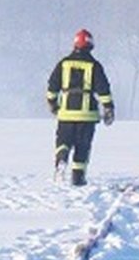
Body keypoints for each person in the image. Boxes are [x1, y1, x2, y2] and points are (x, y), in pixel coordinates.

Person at [46, 28, 114, 186]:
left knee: (63, 141)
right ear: (90, 45)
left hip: (66, 114)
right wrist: (108, 108)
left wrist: (53, 104)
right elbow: (103, 89)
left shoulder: (63, 64)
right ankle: (78, 177)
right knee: (82, 146)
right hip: (87, 115)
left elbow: (52, 86)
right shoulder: (94, 65)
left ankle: (62, 158)